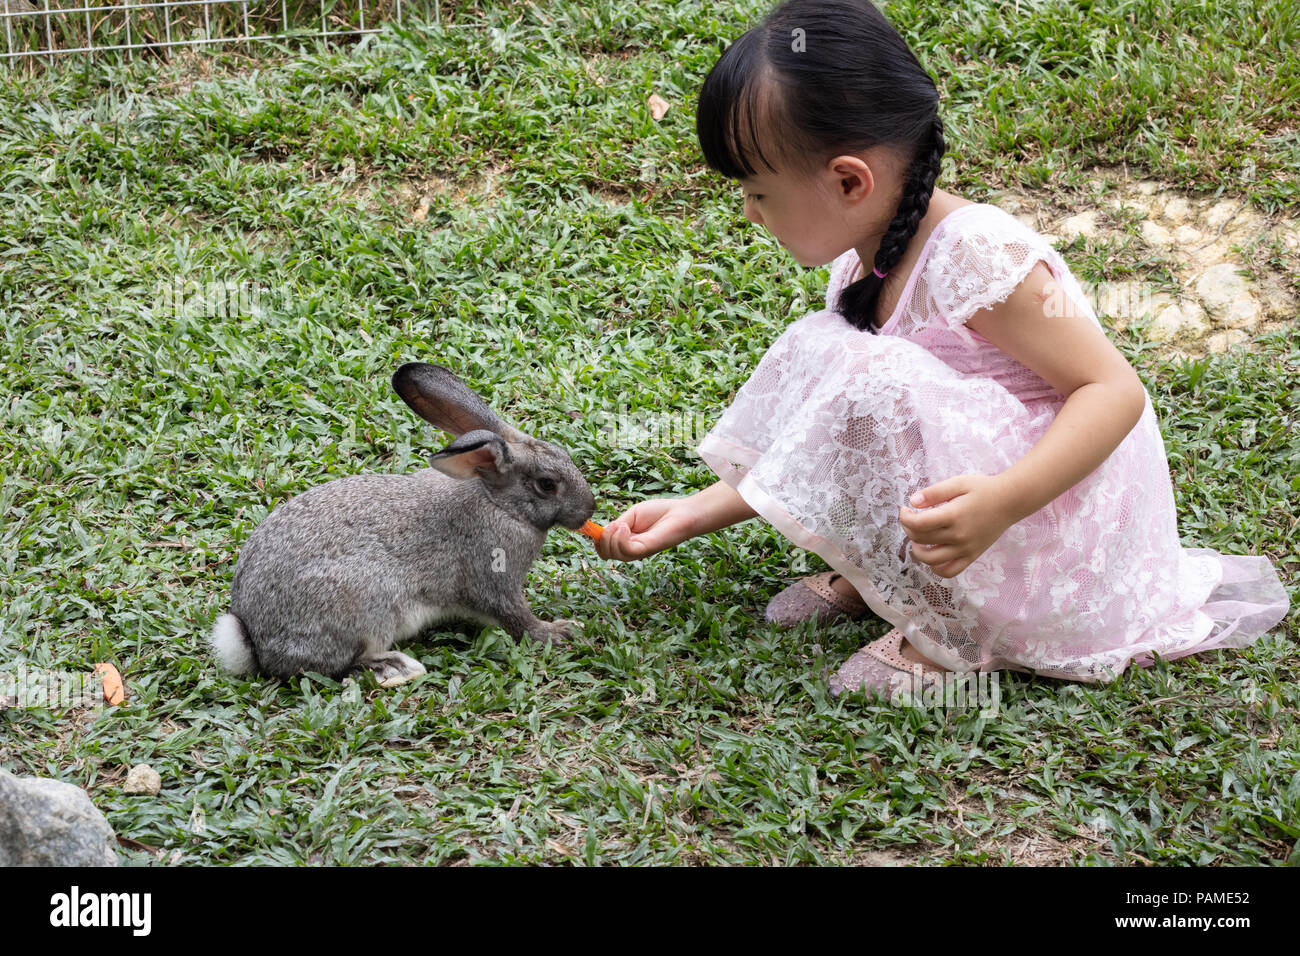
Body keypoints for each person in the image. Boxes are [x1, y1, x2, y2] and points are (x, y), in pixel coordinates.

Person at [593, 0, 1289, 698]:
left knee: (877, 375)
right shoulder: (865, 252)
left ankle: (955, 633)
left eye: (758, 192)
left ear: (848, 180)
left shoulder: (977, 257)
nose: (749, 212)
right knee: (836, 356)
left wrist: (1003, 502)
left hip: (1044, 523)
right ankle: (891, 576)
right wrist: (696, 509)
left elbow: (1113, 392)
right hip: (968, 499)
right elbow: (835, 423)